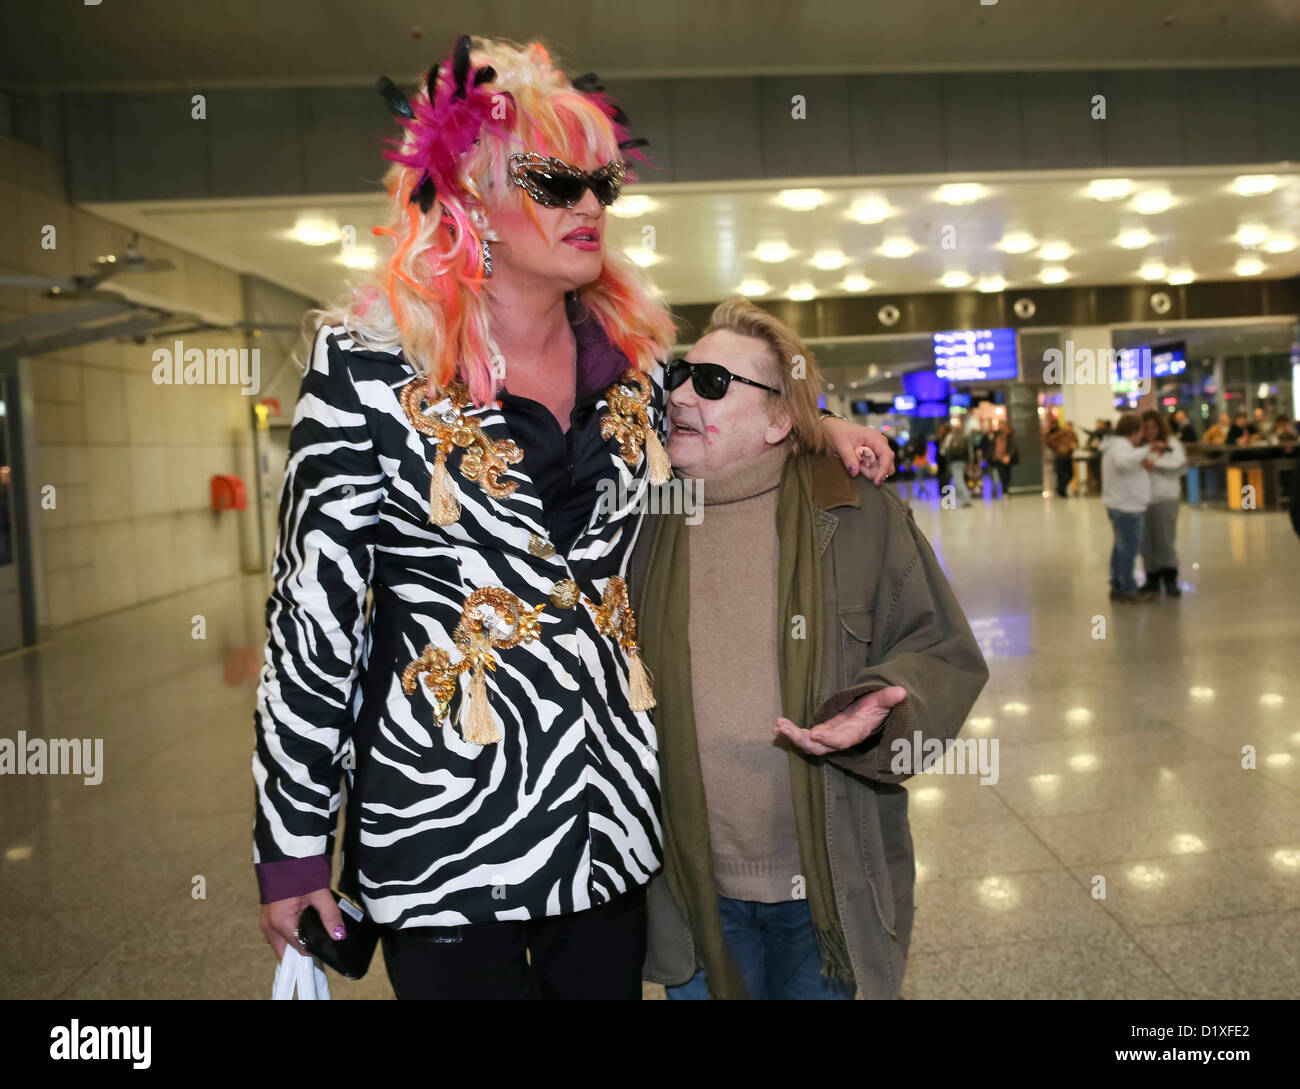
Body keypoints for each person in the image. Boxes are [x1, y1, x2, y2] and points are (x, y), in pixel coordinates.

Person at [250, 33, 894, 1001]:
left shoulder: (635, 369)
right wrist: (292, 849)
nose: (589, 203)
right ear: (469, 197)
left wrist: (816, 424)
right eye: (554, 182)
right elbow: (313, 621)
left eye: (601, 183)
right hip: (443, 838)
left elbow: (738, 407)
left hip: (610, 828)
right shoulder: (365, 371)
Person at [630, 300, 988, 1000]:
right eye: (679, 375)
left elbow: (942, 650)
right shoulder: (638, 517)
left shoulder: (854, 514)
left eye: (711, 383)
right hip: (690, 885)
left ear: (777, 420)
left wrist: (885, 708)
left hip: (826, 879)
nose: (676, 395)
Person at [1100, 414, 1155, 603]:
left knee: (1120, 547)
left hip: (1122, 504)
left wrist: (1140, 461)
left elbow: (1127, 464)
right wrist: (1147, 450)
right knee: (1128, 550)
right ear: (1135, 432)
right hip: (1127, 507)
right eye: (1141, 431)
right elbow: (1123, 463)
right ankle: (1128, 587)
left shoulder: (1119, 448)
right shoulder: (1120, 448)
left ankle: (1118, 583)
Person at [1138, 410, 1187, 597]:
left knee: (1165, 541)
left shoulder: (1171, 443)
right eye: (1146, 427)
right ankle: (1152, 578)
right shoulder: (1140, 445)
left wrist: (1156, 464)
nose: (1150, 431)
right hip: (1142, 501)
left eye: (1153, 427)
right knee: (1146, 542)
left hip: (1165, 498)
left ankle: (1170, 578)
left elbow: (1179, 464)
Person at [1044, 418, 1078, 497]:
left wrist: (1073, 447)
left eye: (1071, 426)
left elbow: (1076, 444)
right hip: (1060, 456)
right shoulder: (1060, 434)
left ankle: (1061, 488)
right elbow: (1049, 441)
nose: (1070, 428)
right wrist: (1056, 449)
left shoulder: (1073, 435)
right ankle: (1061, 490)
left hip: (1068, 456)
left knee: (1070, 474)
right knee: (1060, 474)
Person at [942, 422, 973, 507]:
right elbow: (968, 452)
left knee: (959, 481)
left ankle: (967, 497)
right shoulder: (964, 438)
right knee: (956, 481)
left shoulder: (953, 438)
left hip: (955, 462)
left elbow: (948, 451)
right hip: (961, 462)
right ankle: (959, 498)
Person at [991, 422, 1018, 498]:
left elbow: (1012, 447)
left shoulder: (1009, 437)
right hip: (997, 460)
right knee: (998, 476)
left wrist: (1008, 456)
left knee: (1006, 476)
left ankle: (1005, 491)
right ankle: (1000, 491)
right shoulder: (996, 436)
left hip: (1006, 459)